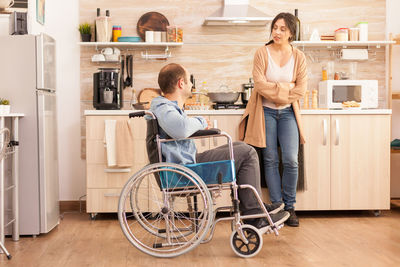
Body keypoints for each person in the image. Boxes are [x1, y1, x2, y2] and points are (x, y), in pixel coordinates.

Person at [150, 63, 289, 233]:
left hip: (186, 164)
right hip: (183, 171)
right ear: (181, 83)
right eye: (189, 81)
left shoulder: (167, 107)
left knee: (240, 147)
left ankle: (253, 208)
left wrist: (196, 124)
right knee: (247, 152)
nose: (192, 85)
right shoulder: (164, 107)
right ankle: (253, 214)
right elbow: (181, 129)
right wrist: (200, 121)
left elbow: (180, 128)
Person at [238, 13, 308, 227]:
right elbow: (259, 85)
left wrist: (276, 91)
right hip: (265, 112)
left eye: (282, 29)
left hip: (288, 113)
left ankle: (290, 206)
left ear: (291, 33)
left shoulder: (299, 57)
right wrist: (286, 89)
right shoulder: (262, 53)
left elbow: (301, 90)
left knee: (291, 159)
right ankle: (277, 207)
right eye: (275, 28)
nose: (277, 32)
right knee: (269, 159)